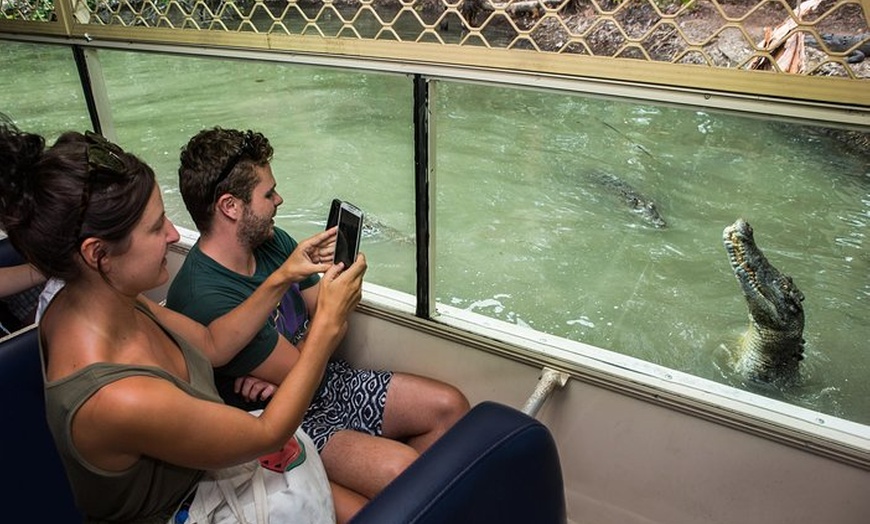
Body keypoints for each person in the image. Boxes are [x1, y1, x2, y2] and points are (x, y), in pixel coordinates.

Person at [0, 120, 366, 523]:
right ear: (98, 254)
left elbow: (211, 344)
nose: (174, 236)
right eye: (157, 227)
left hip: (207, 476)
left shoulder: (104, 298)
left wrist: (281, 277)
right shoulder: (116, 398)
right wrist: (326, 328)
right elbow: (267, 435)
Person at [167, 127, 471, 522]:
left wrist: (316, 334)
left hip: (321, 379)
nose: (280, 199)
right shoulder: (205, 296)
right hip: (287, 422)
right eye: (268, 193)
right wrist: (319, 331)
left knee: (450, 408)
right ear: (230, 206)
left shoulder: (271, 242)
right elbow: (310, 349)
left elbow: (332, 321)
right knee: (406, 472)